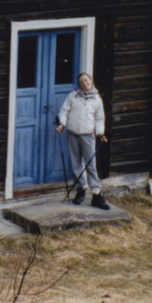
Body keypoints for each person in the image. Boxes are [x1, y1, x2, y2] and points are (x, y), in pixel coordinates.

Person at [56, 72, 110, 210]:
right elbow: (64, 111)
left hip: (87, 135)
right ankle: (80, 190)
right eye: (81, 82)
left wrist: (100, 133)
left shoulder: (97, 100)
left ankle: (96, 195)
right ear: (79, 84)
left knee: (90, 165)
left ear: (91, 80)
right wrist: (62, 124)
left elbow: (99, 119)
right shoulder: (73, 96)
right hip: (72, 134)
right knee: (76, 163)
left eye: (86, 81)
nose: (84, 84)